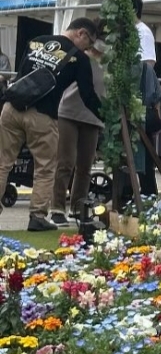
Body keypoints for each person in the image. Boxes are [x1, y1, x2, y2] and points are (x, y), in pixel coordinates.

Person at [0, 20, 102, 231]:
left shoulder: (36, 42)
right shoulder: (79, 58)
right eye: (89, 43)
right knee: (45, 168)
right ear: (81, 33)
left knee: (3, 163)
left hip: (12, 108)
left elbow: (23, 74)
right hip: (43, 115)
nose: (89, 49)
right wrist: (106, 115)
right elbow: (87, 95)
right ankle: (37, 216)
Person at [54, 31, 107, 217]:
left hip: (93, 118)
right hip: (69, 112)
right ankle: (57, 208)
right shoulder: (80, 56)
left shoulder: (111, 62)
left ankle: (78, 207)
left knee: (85, 166)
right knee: (65, 163)